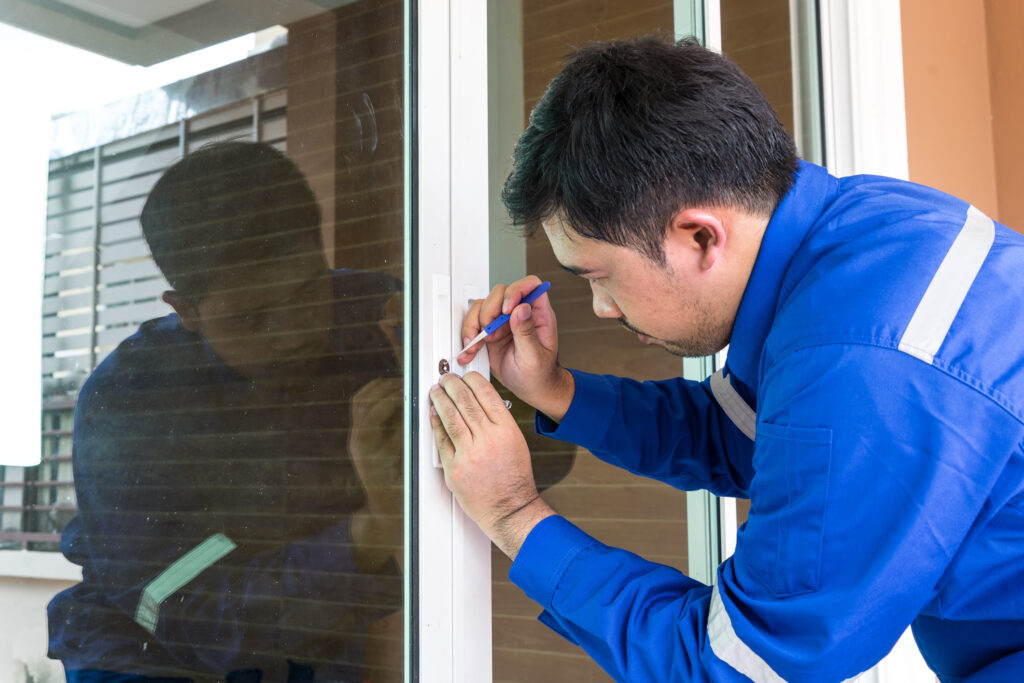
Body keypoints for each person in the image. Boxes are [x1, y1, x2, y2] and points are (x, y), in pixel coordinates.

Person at [428, 36, 1024, 682]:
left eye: (598, 276)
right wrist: (556, 389)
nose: (600, 306)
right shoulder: (856, 235)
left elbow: (730, 668)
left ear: (700, 236)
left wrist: (516, 514)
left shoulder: (863, 372)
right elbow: (738, 434)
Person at [48, 141, 405, 682]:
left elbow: (538, 459)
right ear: (185, 310)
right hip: (144, 656)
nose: (293, 334)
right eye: (254, 319)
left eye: (309, 294)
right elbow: (182, 609)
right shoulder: (126, 400)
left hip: (311, 635)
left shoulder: (383, 317)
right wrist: (377, 527)